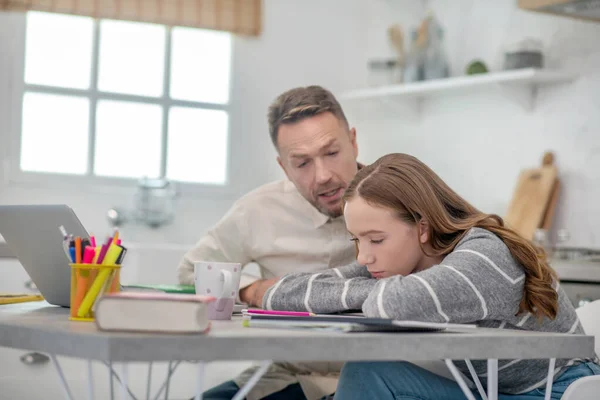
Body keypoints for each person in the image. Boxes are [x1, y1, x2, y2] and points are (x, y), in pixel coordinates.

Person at [261, 153, 600, 400]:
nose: (363, 256)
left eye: (376, 239)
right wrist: (362, 289)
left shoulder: (486, 255)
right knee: (366, 372)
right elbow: (281, 294)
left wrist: (353, 293)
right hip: (495, 390)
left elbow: (392, 301)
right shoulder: (402, 264)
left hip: (560, 390)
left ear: (422, 227)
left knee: (367, 373)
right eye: (357, 240)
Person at [178, 85, 360, 400]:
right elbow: (191, 271)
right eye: (302, 163)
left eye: (332, 153)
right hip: (289, 377)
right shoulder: (258, 210)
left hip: (374, 375)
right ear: (283, 167)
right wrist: (252, 290)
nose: (322, 176)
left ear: (354, 142)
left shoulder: (398, 198)